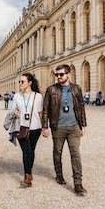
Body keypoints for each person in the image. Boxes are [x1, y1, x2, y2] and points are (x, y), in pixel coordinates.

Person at [41, 64, 88, 195]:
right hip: (58, 127)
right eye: (57, 75)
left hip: (74, 127)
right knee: (57, 152)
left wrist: (83, 125)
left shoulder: (76, 89)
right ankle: (59, 174)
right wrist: (45, 126)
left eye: (61, 74)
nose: (58, 77)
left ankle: (78, 183)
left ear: (68, 75)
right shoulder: (51, 90)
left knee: (75, 154)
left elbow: (81, 108)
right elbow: (46, 109)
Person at [9, 73, 43, 187]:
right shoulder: (16, 96)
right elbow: (12, 110)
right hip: (21, 127)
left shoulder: (38, 96)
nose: (20, 83)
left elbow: (40, 113)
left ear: (29, 83)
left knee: (31, 150)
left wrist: (44, 127)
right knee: (26, 151)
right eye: (19, 81)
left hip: (35, 127)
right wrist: (15, 112)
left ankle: (30, 170)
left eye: (22, 81)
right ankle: (27, 175)